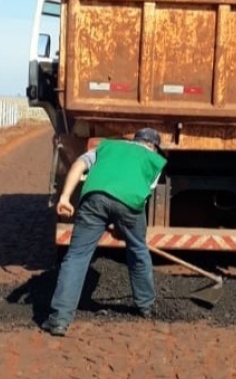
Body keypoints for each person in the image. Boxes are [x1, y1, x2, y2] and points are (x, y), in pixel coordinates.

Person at [41, 128, 167, 337]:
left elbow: (79, 165)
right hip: (130, 205)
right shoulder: (154, 160)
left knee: (77, 257)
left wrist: (64, 197)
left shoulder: (108, 146)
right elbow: (141, 195)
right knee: (138, 250)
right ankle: (145, 306)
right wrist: (124, 225)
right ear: (152, 146)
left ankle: (59, 320)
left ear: (134, 140)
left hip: (93, 198)